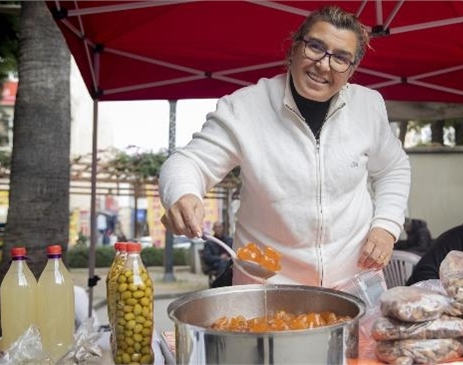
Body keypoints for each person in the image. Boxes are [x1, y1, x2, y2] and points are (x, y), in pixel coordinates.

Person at [159, 5, 411, 288]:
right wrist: (182, 193)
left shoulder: (368, 106)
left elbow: (394, 168)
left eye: (341, 58)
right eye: (315, 47)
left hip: (354, 284)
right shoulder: (243, 107)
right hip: (267, 286)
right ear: (293, 48)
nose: (324, 64)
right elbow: (188, 162)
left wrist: (387, 226)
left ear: (351, 70)